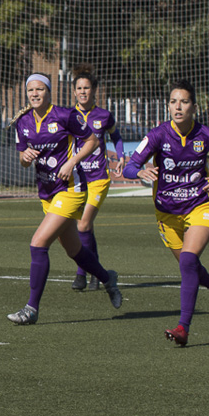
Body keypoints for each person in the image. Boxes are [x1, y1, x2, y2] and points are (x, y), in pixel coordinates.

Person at [122, 79, 209, 347]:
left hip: (200, 204)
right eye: (174, 102)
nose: (178, 107)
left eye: (184, 102)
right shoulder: (157, 135)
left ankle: (183, 328)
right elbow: (130, 166)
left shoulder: (206, 134)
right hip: (167, 213)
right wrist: (140, 172)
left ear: (194, 107)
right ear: (168, 106)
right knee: (189, 265)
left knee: (188, 261)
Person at [8, 73, 123, 326]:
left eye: (40, 89)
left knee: (38, 244)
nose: (35, 94)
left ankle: (31, 309)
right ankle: (107, 278)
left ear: (49, 92)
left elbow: (92, 140)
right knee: (73, 250)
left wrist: (72, 161)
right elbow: (23, 159)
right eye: (30, 90)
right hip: (47, 191)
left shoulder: (64, 115)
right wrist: (25, 158)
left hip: (71, 188)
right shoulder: (23, 121)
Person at [69, 66, 125, 292]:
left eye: (87, 88)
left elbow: (116, 136)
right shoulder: (67, 116)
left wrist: (121, 157)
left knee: (83, 224)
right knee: (83, 227)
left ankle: (82, 273)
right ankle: (95, 271)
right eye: (79, 88)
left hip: (99, 177)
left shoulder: (103, 115)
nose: (83, 92)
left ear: (94, 91)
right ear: (74, 92)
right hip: (76, 178)